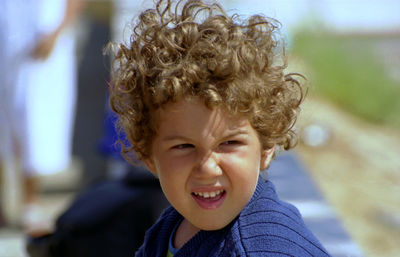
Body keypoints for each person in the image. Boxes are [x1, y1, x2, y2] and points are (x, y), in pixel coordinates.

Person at [109, 0, 331, 256]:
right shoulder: (172, 228)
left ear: (266, 147)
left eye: (229, 143)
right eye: (184, 146)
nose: (207, 168)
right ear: (148, 155)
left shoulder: (264, 250)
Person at [0, 0, 84, 236]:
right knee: (5, 124)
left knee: (33, 121)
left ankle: (30, 203)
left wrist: (57, 31)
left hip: (42, 38)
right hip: (7, 33)